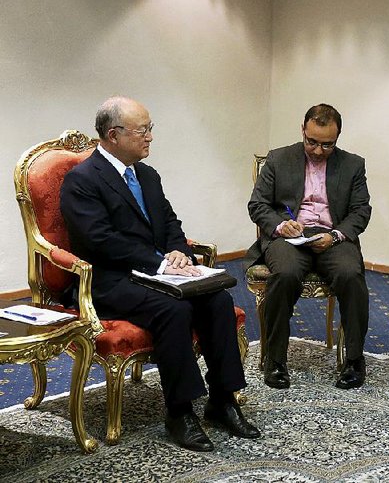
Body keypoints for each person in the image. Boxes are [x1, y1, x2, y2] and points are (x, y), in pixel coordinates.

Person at [60, 96, 260, 452]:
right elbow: (98, 240)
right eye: (143, 130)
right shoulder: (83, 180)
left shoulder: (147, 174)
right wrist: (159, 264)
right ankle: (179, 412)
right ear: (113, 135)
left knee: (216, 300)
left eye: (150, 128)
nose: (150, 136)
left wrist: (178, 252)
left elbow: (169, 221)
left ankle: (222, 400)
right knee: (174, 310)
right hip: (108, 279)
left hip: (158, 274)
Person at [245, 103, 372, 390]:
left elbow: (361, 211)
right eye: (311, 142)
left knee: (351, 275)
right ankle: (275, 360)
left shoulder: (353, 164)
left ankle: (353, 360)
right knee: (286, 274)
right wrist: (280, 225)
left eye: (327, 145)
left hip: (333, 237)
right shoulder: (279, 159)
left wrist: (337, 235)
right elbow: (258, 205)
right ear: (303, 130)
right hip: (290, 236)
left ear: (337, 138)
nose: (317, 150)